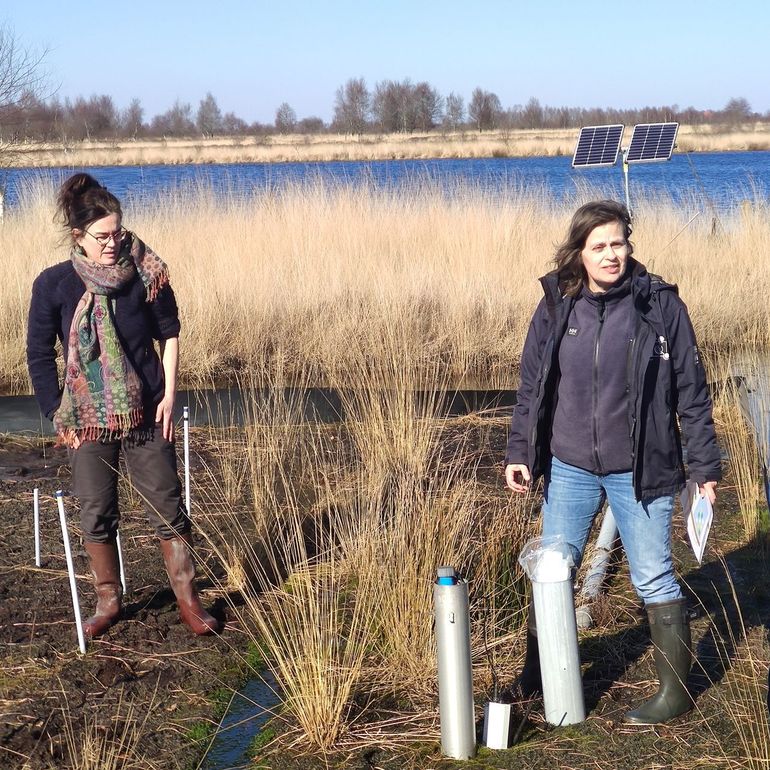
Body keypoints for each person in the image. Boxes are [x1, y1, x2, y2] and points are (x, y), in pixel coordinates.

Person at [504, 199, 720, 724]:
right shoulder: (557, 303)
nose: (610, 255)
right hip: (570, 464)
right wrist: (520, 452)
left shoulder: (660, 306)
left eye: (618, 243)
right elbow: (533, 384)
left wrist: (704, 470)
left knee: (653, 576)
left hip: (641, 469)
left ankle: (674, 695)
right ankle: (539, 676)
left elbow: (691, 391)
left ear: (630, 244)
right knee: (553, 572)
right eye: (598, 246)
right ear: (579, 252)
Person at [26, 172, 219, 638]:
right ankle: (108, 601)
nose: (114, 243)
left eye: (119, 233)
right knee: (95, 510)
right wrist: (57, 412)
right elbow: (38, 354)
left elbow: (169, 332)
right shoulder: (53, 285)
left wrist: (170, 393)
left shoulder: (144, 273)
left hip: (148, 408)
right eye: (103, 236)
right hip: (86, 417)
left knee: (167, 505)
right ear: (79, 236)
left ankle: (189, 602)